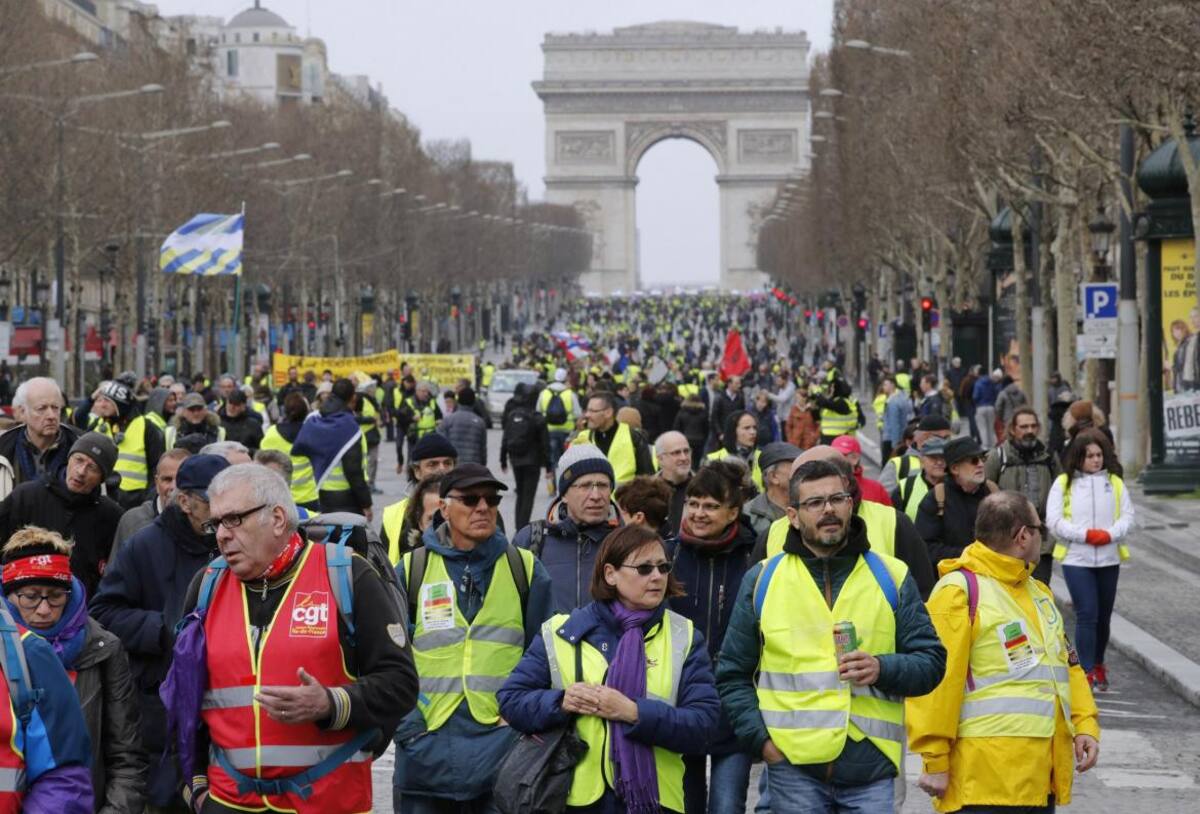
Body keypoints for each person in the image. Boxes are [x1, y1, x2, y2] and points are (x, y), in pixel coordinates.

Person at [170, 464, 418, 814]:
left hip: (327, 801)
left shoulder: (348, 574)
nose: (221, 535)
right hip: (229, 802)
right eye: (216, 524)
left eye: (234, 520)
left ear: (277, 518)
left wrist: (331, 704)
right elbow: (188, 692)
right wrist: (195, 786)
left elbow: (402, 684)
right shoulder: (206, 585)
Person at [717, 459, 946, 813]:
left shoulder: (891, 575)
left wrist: (882, 668)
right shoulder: (763, 579)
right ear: (792, 515)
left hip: (871, 771)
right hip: (792, 770)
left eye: (837, 499)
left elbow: (931, 662)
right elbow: (733, 673)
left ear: (850, 505)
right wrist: (763, 745)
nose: (828, 510)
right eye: (814, 503)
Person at [498, 524, 721, 814]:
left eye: (663, 567)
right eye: (644, 568)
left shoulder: (684, 635)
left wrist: (633, 712)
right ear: (610, 574)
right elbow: (511, 700)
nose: (657, 577)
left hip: (655, 802)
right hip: (574, 800)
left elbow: (704, 724)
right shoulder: (561, 632)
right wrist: (560, 701)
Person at [907, 491, 1100, 812]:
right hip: (982, 783)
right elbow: (936, 683)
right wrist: (935, 759)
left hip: (1038, 779)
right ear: (1023, 536)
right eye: (1040, 529)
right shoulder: (959, 592)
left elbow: (1067, 667)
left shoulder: (1039, 593)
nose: (1043, 537)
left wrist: (1085, 726)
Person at [392, 463, 553, 813]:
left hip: (500, 749)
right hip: (426, 751)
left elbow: (547, 657)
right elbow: (388, 661)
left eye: (491, 499)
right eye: (470, 499)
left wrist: (520, 718)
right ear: (444, 508)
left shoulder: (524, 568)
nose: (483, 507)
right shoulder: (411, 569)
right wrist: (409, 725)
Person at [90, 453, 230, 812]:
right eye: (211, 502)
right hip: (160, 707)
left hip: (225, 706)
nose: (222, 513)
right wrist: (167, 631)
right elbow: (103, 612)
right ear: (184, 501)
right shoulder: (145, 545)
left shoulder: (232, 543)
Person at [2, 526, 146, 812]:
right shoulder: (5, 653)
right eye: (31, 596)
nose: (44, 609)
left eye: (55, 596)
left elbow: (126, 756)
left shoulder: (103, 649)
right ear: (9, 596)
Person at [669, 461, 758, 814]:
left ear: (733, 511)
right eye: (693, 503)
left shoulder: (754, 558)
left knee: (726, 805)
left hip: (735, 705)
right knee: (684, 805)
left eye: (710, 506)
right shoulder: (666, 554)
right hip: (679, 702)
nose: (698, 514)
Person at [1047, 430, 1135, 690]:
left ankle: (1098, 663)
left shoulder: (1115, 483)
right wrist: (1086, 535)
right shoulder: (1064, 483)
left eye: (1099, 455)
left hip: (1109, 559)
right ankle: (1084, 671)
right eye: (1089, 456)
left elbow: (1129, 517)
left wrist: (1108, 534)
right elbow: (1053, 521)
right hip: (1077, 559)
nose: (1095, 460)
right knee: (1087, 614)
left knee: (1104, 617)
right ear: (1079, 457)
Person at [0, 432, 124, 600]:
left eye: (92, 467)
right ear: (69, 458)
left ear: (102, 478)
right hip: (23, 608)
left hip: (83, 614)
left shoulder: (110, 515)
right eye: (79, 460)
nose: (81, 472)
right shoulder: (26, 497)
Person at [512, 444, 618, 613]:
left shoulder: (628, 540)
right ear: (564, 494)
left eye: (603, 485)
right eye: (585, 486)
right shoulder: (532, 539)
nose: (596, 496)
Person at [985, 407, 1061, 583]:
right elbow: (985, 489)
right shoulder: (998, 456)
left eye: (1033, 426)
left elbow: (1061, 489)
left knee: (1039, 591)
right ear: (1013, 429)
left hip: (1041, 541)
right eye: (1024, 427)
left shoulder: (1048, 457)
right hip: (1007, 540)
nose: (1029, 431)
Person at [294, 378, 372, 519]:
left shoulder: (315, 420)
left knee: (328, 537)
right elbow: (353, 470)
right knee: (350, 539)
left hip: (321, 493)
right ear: (353, 397)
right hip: (347, 498)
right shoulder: (349, 427)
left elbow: (300, 450)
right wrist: (366, 503)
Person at [916, 437, 999, 566]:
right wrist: (970, 554)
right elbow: (926, 548)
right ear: (955, 469)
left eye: (982, 458)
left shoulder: (994, 493)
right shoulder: (936, 499)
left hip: (994, 576)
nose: (981, 464)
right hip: (954, 579)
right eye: (974, 460)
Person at [84, 380, 166, 509]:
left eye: (107, 401)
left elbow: (157, 468)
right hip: (103, 500)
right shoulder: (97, 425)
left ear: (120, 404)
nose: (102, 405)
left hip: (136, 502)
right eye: (101, 400)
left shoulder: (147, 427)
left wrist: (147, 502)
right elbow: (77, 420)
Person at [381, 433, 459, 565]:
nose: (442, 470)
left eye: (447, 463)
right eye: (432, 464)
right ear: (417, 471)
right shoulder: (393, 515)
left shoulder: (477, 507)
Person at [0, 377, 84, 498]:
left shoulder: (80, 444)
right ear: (23, 412)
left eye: (55, 407)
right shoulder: (4, 450)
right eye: (41, 408)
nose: (51, 415)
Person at [112, 447, 191, 554]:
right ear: (157, 483)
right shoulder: (132, 521)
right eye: (167, 480)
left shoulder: (202, 521)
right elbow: (115, 569)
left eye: (181, 479)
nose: (174, 487)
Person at [573, 391, 655, 485]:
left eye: (592, 411)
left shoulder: (633, 437)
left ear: (608, 413)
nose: (587, 415)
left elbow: (647, 478)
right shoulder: (583, 438)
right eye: (587, 411)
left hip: (625, 499)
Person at [259, 392, 319, 512]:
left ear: (284, 411)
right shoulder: (315, 433)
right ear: (306, 412)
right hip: (311, 496)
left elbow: (262, 467)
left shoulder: (271, 434)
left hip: (280, 497)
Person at [745, 442, 801, 539]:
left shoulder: (810, 506)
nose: (803, 472)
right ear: (774, 477)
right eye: (795, 467)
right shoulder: (748, 516)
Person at [893, 436, 947, 523]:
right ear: (922, 461)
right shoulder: (905, 487)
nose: (939, 462)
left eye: (943, 457)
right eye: (933, 457)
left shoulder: (960, 486)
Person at [831, 435, 891, 506]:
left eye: (842, 455)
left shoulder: (876, 489)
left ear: (855, 458)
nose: (837, 459)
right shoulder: (822, 487)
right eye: (834, 455)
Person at [538, 368, 580, 471]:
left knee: (552, 459)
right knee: (566, 461)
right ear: (565, 379)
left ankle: (553, 480)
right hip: (567, 431)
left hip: (549, 430)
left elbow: (538, 411)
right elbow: (577, 414)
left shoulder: (544, 393)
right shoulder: (570, 394)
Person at [654, 430, 694, 535]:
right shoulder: (646, 491)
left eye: (686, 451)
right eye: (676, 453)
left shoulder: (705, 488)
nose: (684, 458)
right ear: (660, 458)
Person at [393, 475, 445, 556]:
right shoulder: (410, 565)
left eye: (450, 518)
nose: (443, 525)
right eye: (432, 519)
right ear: (420, 523)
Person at [440, 386, 487, 465]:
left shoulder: (448, 420)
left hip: (453, 465)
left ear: (458, 401)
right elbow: (482, 449)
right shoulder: (480, 422)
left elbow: (442, 444)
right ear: (473, 402)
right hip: (473, 465)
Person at [814, 375, 860, 445]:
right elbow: (817, 416)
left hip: (838, 438)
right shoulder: (835, 401)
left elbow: (826, 404)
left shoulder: (842, 402)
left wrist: (817, 393)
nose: (830, 389)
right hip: (828, 438)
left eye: (832, 387)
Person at [672, 387, 710, 470]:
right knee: (696, 461)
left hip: (685, 440)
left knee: (685, 460)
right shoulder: (703, 412)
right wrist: (704, 438)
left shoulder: (682, 411)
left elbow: (676, 427)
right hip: (699, 440)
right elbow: (706, 428)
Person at [216, 388, 263, 454]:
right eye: (230, 403)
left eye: (236, 404)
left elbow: (261, 449)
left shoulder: (253, 425)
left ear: (243, 406)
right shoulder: (216, 422)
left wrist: (244, 451)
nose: (232, 407)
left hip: (246, 461)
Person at [881, 378, 913, 463]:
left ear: (892, 385)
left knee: (888, 465)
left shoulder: (893, 402)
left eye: (885, 384)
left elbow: (894, 424)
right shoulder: (903, 398)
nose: (883, 387)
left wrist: (894, 445)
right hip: (900, 437)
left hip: (890, 439)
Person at [972, 369, 1002, 449]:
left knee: (982, 428)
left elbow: (975, 396)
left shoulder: (978, 383)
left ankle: (985, 446)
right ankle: (993, 446)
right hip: (991, 407)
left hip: (981, 407)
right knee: (991, 428)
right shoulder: (992, 383)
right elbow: (996, 394)